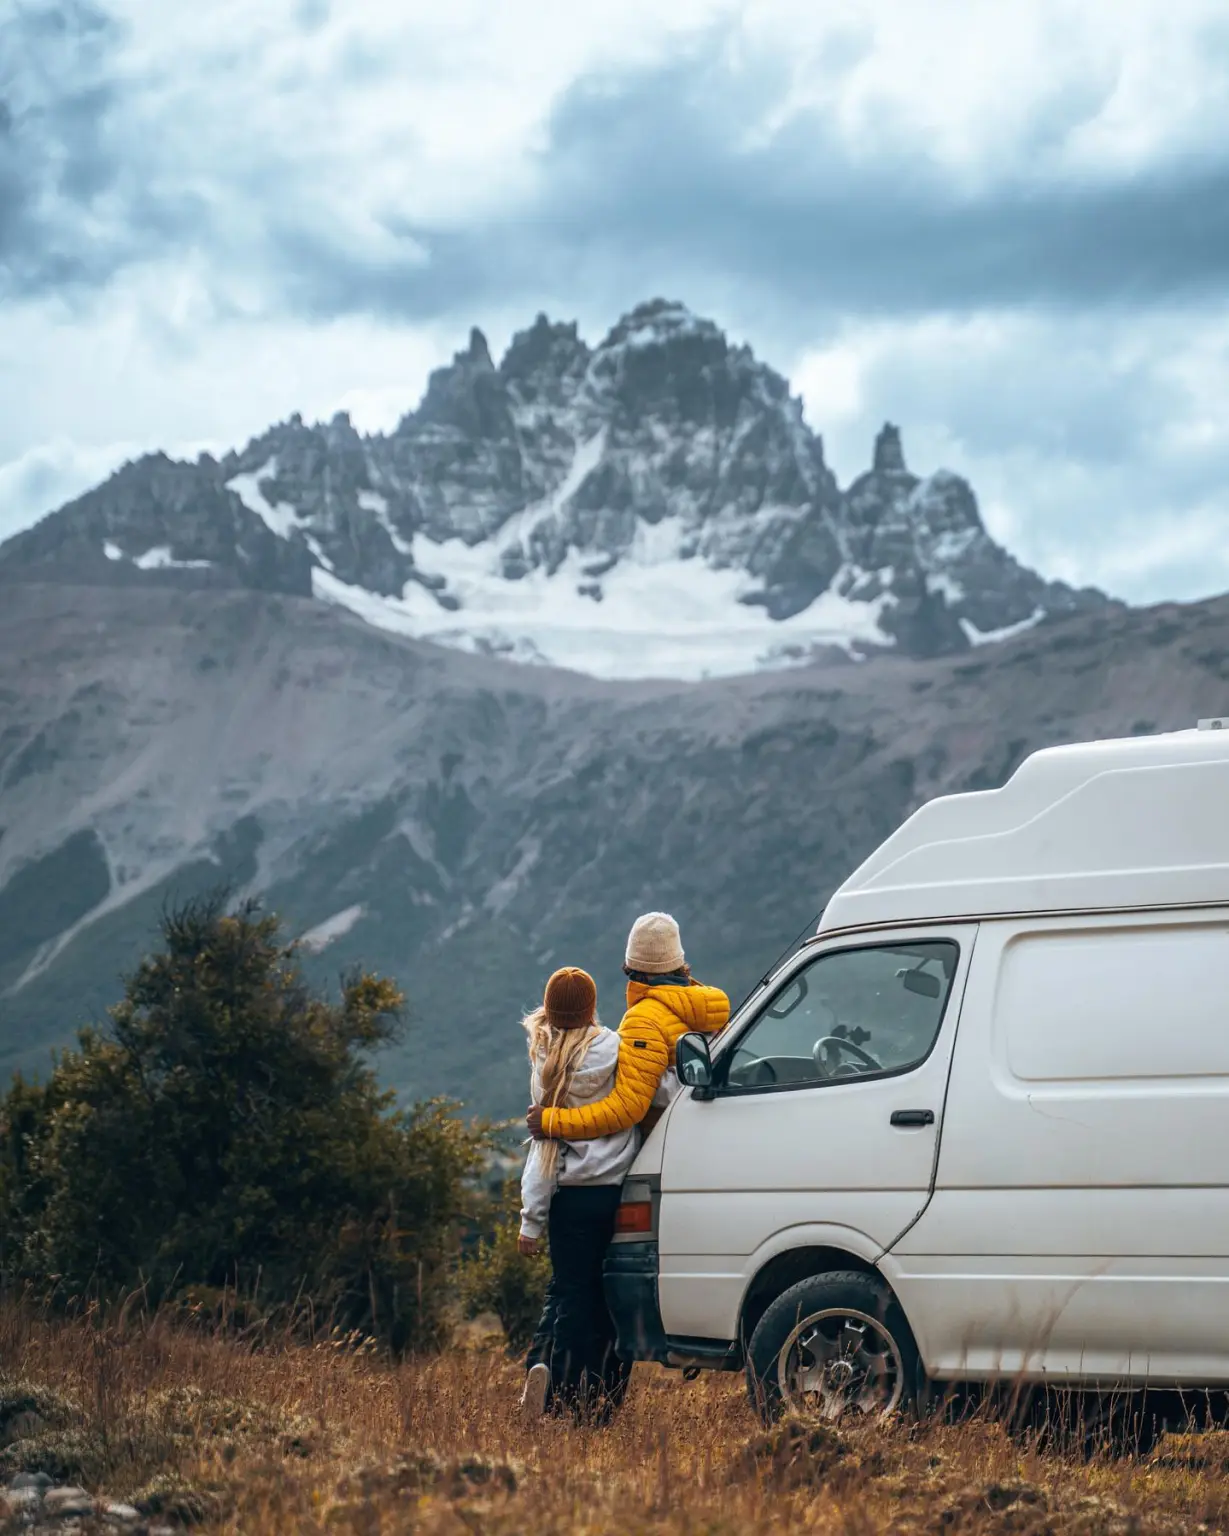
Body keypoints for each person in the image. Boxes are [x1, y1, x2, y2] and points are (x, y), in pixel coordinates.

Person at [518, 966, 638, 1424]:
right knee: (609, 1299)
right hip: (618, 1195)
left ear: (550, 1011)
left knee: (570, 1295)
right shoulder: (618, 1047)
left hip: (569, 1199)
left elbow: (543, 1153)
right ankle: (598, 1404)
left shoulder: (546, 1062)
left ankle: (556, 1398)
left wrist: (531, 1220)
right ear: (590, 1008)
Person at [527, 912, 730, 1143]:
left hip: (664, 1144)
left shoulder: (643, 1020)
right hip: (706, 1132)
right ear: (678, 961)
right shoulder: (708, 1009)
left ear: (632, 964)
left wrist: (550, 1121)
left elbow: (627, 1108)